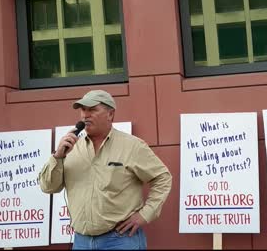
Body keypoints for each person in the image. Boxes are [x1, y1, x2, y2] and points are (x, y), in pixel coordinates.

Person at [39, 90, 172, 250]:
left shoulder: (132, 146)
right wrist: (58, 156)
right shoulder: (70, 148)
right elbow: (48, 187)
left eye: (92, 110)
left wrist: (145, 214)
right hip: (81, 241)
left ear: (110, 114)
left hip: (121, 240)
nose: (85, 115)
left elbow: (162, 178)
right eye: (82, 110)